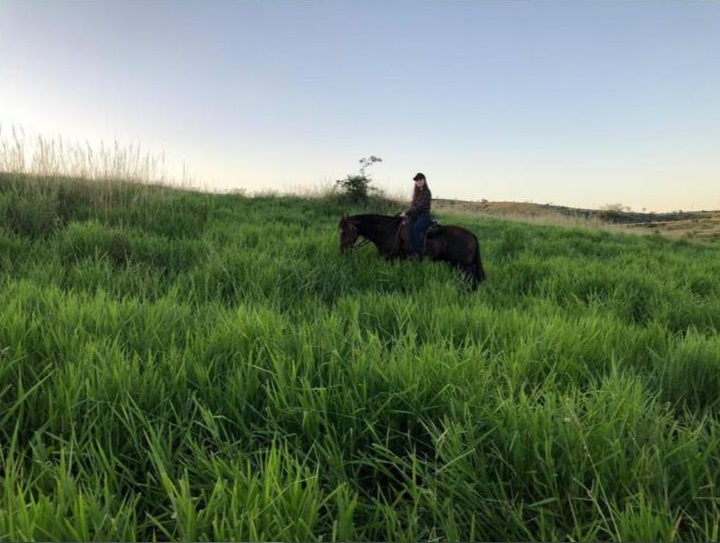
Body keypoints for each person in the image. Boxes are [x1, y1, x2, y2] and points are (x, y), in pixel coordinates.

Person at [400, 172, 432, 258]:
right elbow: (413, 206)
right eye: (417, 180)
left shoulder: (426, 192)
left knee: (415, 229)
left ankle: (416, 252)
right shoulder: (417, 193)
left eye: (420, 179)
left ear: (424, 180)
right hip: (415, 216)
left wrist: (407, 213)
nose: (418, 181)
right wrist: (407, 214)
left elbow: (420, 207)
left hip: (424, 216)